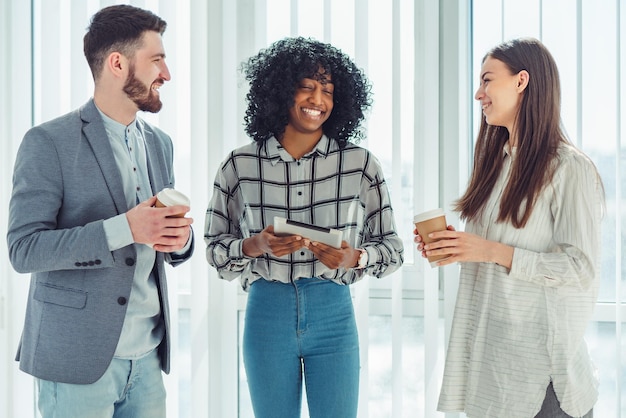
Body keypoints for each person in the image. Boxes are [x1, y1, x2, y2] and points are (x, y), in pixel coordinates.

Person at [7, 5, 194, 418]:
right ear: (117, 63)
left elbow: (157, 242)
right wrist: (123, 228)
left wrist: (181, 241)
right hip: (76, 361)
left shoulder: (160, 144)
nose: (167, 74)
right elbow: (24, 250)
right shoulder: (47, 142)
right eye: (157, 60)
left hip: (147, 359)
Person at [205, 36, 404, 418]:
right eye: (307, 87)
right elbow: (214, 248)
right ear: (280, 91)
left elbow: (392, 248)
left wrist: (356, 256)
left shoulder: (361, 165)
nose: (318, 100)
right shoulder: (239, 165)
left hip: (333, 311)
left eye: (327, 91)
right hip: (267, 311)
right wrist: (254, 246)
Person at [414, 38, 603, 418]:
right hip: (492, 372)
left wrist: (488, 250)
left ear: (521, 81)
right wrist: (455, 246)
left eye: (487, 80)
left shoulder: (569, 168)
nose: (478, 94)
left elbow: (580, 270)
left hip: (543, 379)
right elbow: (494, 254)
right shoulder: (496, 165)